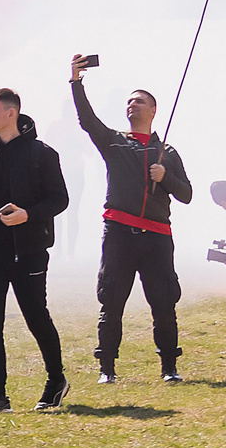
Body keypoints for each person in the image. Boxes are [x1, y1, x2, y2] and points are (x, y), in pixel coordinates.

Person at [71, 61, 192, 383]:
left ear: (153, 110)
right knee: (111, 301)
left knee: (164, 303)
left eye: (138, 101)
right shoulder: (114, 142)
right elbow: (87, 120)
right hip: (119, 234)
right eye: (128, 101)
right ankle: (106, 369)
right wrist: (76, 82)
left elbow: (187, 195)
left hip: (157, 238)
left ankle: (169, 368)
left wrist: (165, 177)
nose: (131, 104)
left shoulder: (167, 152)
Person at [0, 87, 71, 413]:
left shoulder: (42, 153)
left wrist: (28, 215)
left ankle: (56, 380)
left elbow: (60, 199)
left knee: (36, 317)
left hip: (29, 252)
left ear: (11, 113)